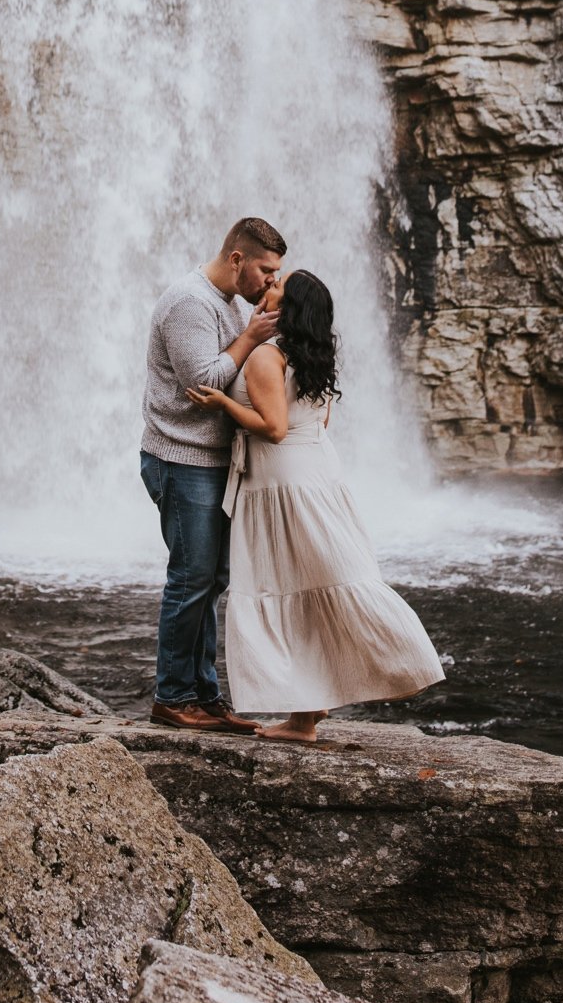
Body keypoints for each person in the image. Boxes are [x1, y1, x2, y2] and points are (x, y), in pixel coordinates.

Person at [188, 268, 445, 747]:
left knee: (285, 585)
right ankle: (306, 713)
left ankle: (354, 685)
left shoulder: (267, 355)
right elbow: (319, 417)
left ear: (288, 309)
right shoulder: (313, 355)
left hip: (282, 482)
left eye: (276, 287)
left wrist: (223, 401)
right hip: (317, 473)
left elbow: (274, 428)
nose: (267, 287)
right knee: (308, 586)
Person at [140, 216, 286, 731]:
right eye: (266, 271)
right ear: (237, 260)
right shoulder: (190, 302)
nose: (271, 281)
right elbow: (201, 385)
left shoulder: (225, 304)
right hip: (181, 460)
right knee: (191, 579)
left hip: (210, 464)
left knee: (211, 580)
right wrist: (249, 337)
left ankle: (203, 693)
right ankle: (173, 697)